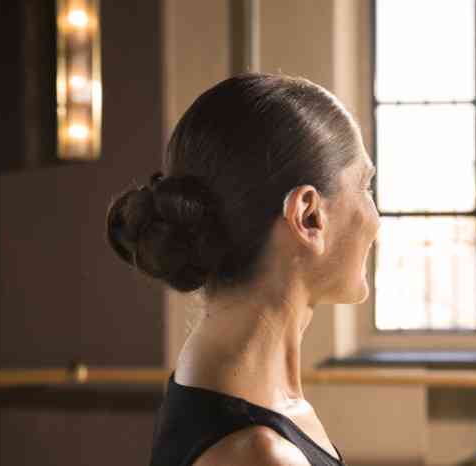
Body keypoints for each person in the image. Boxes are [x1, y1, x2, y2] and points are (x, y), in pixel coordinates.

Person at [106, 72, 379, 466]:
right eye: (365, 187)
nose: (375, 219)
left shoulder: (216, 375)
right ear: (308, 216)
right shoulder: (259, 454)